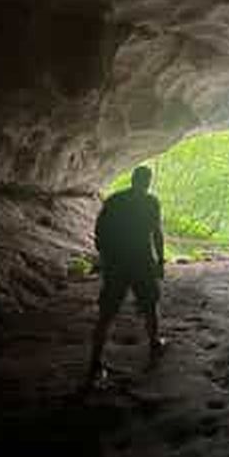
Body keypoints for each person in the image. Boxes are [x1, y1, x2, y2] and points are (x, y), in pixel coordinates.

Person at [87, 165, 167, 386]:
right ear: (147, 182)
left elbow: (99, 230)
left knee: (107, 313)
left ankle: (95, 361)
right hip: (141, 262)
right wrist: (160, 261)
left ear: (132, 179)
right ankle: (153, 343)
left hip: (117, 264)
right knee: (150, 305)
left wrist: (106, 257)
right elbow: (156, 234)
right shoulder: (151, 202)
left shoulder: (114, 200)